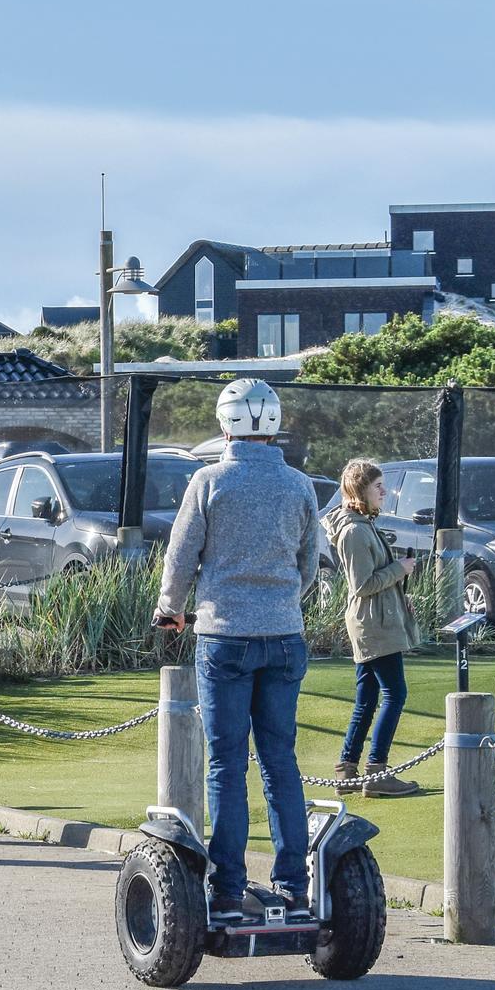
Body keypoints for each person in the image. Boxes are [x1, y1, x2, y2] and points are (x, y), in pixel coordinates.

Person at [154, 378, 324, 922]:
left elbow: (181, 556)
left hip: (223, 636)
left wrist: (171, 607)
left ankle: (228, 888)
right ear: (274, 423)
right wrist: (282, 602)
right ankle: (293, 886)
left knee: (227, 764)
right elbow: (308, 564)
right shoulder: (299, 485)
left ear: (224, 424)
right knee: (280, 761)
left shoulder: (208, 481)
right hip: (284, 636)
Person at [324, 459, 423, 798]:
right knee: (395, 694)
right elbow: (362, 585)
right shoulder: (354, 531)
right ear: (360, 490)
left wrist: (399, 593)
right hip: (373, 624)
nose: (385, 491)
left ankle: (347, 771)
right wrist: (400, 569)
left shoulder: (362, 524)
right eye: (378, 486)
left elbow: (372, 583)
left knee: (367, 698)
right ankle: (376, 772)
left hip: (375, 619)